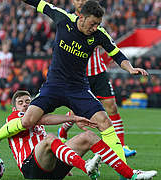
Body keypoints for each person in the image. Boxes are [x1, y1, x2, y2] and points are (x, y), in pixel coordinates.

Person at [0, 1, 155, 178]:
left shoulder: (100, 34)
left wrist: (130, 68)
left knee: (105, 123)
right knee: (28, 120)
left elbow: (116, 53)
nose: (95, 27)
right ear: (81, 17)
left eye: (98, 24)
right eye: (92, 23)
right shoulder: (63, 19)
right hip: (53, 86)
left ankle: (126, 174)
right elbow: (40, 4)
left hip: (78, 89)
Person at [0, 90, 157, 179]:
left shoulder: (35, 115)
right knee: (51, 138)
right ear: (15, 108)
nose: (26, 105)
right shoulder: (14, 117)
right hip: (30, 168)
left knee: (89, 136)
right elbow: (43, 120)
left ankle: (130, 174)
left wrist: (74, 119)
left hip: (49, 167)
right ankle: (85, 165)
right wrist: (73, 117)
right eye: (21, 103)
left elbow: (44, 119)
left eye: (28, 101)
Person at [57, 0, 136, 157]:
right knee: (78, 112)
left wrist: (130, 67)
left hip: (98, 73)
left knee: (112, 107)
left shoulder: (95, 26)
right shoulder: (69, 22)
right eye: (78, 0)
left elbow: (112, 49)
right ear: (74, 3)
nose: (81, 2)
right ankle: (63, 130)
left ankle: (120, 146)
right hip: (80, 76)